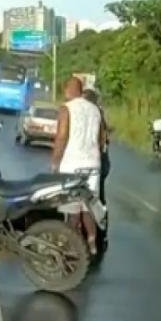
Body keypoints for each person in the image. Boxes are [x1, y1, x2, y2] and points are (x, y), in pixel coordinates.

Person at [51, 77, 106, 254]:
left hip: (72, 163)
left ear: (68, 90)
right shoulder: (95, 109)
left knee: (72, 207)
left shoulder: (67, 108)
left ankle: (70, 246)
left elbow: (62, 136)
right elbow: (102, 139)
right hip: (93, 163)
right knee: (88, 205)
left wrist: (55, 162)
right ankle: (92, 244)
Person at [82, 88, 110, 205]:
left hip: (88, 155)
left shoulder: (88, 112)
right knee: (98, 186)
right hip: (96, 156)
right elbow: (104, 134)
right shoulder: (98, 111)